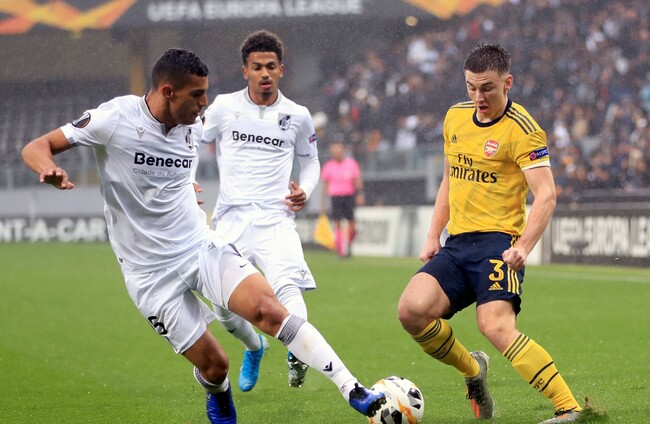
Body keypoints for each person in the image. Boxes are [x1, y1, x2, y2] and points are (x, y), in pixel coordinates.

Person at [21, 48, 385, 424]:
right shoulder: (114, 119)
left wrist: (188, 185)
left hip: (198, 246)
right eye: (197, 94)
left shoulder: (193, 125)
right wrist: (48, 168)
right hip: (148, 274)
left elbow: (184, 167)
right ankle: (219, 393)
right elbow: (35, 147)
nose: (204, 103)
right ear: (168, 91)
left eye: (205, 93)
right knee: (215, 366)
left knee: (270, 310)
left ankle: (354, 390)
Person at [396, 44, 583, 424]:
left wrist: (524, 247)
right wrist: (433, 235)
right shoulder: (455, 117)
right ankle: (473, 370)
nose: (478, 97)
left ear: (507, 82)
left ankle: (569, 408)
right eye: (471, 87)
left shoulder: (524, 129)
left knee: (495, 325)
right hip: (457, 244)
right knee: (411, 311)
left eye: (487, 88)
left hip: (499, 244)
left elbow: (546, 195)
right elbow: (450, 179)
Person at [201, 30, 321, 392]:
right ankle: (254, 347)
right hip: (230, 219)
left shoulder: (297, 115)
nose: (265, 73)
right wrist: (187, 181)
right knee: (222, 307)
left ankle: (298, 354)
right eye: (257, 67)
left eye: (271, 66)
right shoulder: (223, 107)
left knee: (288, 289)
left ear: (281, 69)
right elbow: (190, 142)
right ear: (245, 71)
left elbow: (311, 161)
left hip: (275, 219)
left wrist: (306, 190)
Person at [321, 141, 364, 257]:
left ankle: (348, 244)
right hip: (335, 197)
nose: (337, 154)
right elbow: (325, 186)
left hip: (349, 196)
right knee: (337, 222)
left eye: (339, 152)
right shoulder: (328, 166)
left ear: (343, 151)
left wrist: (360, 194)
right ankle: (340, 249)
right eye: (334, 152)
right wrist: (323, 203)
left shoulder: (351, 164)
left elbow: (357, 180)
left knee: (352, 223)